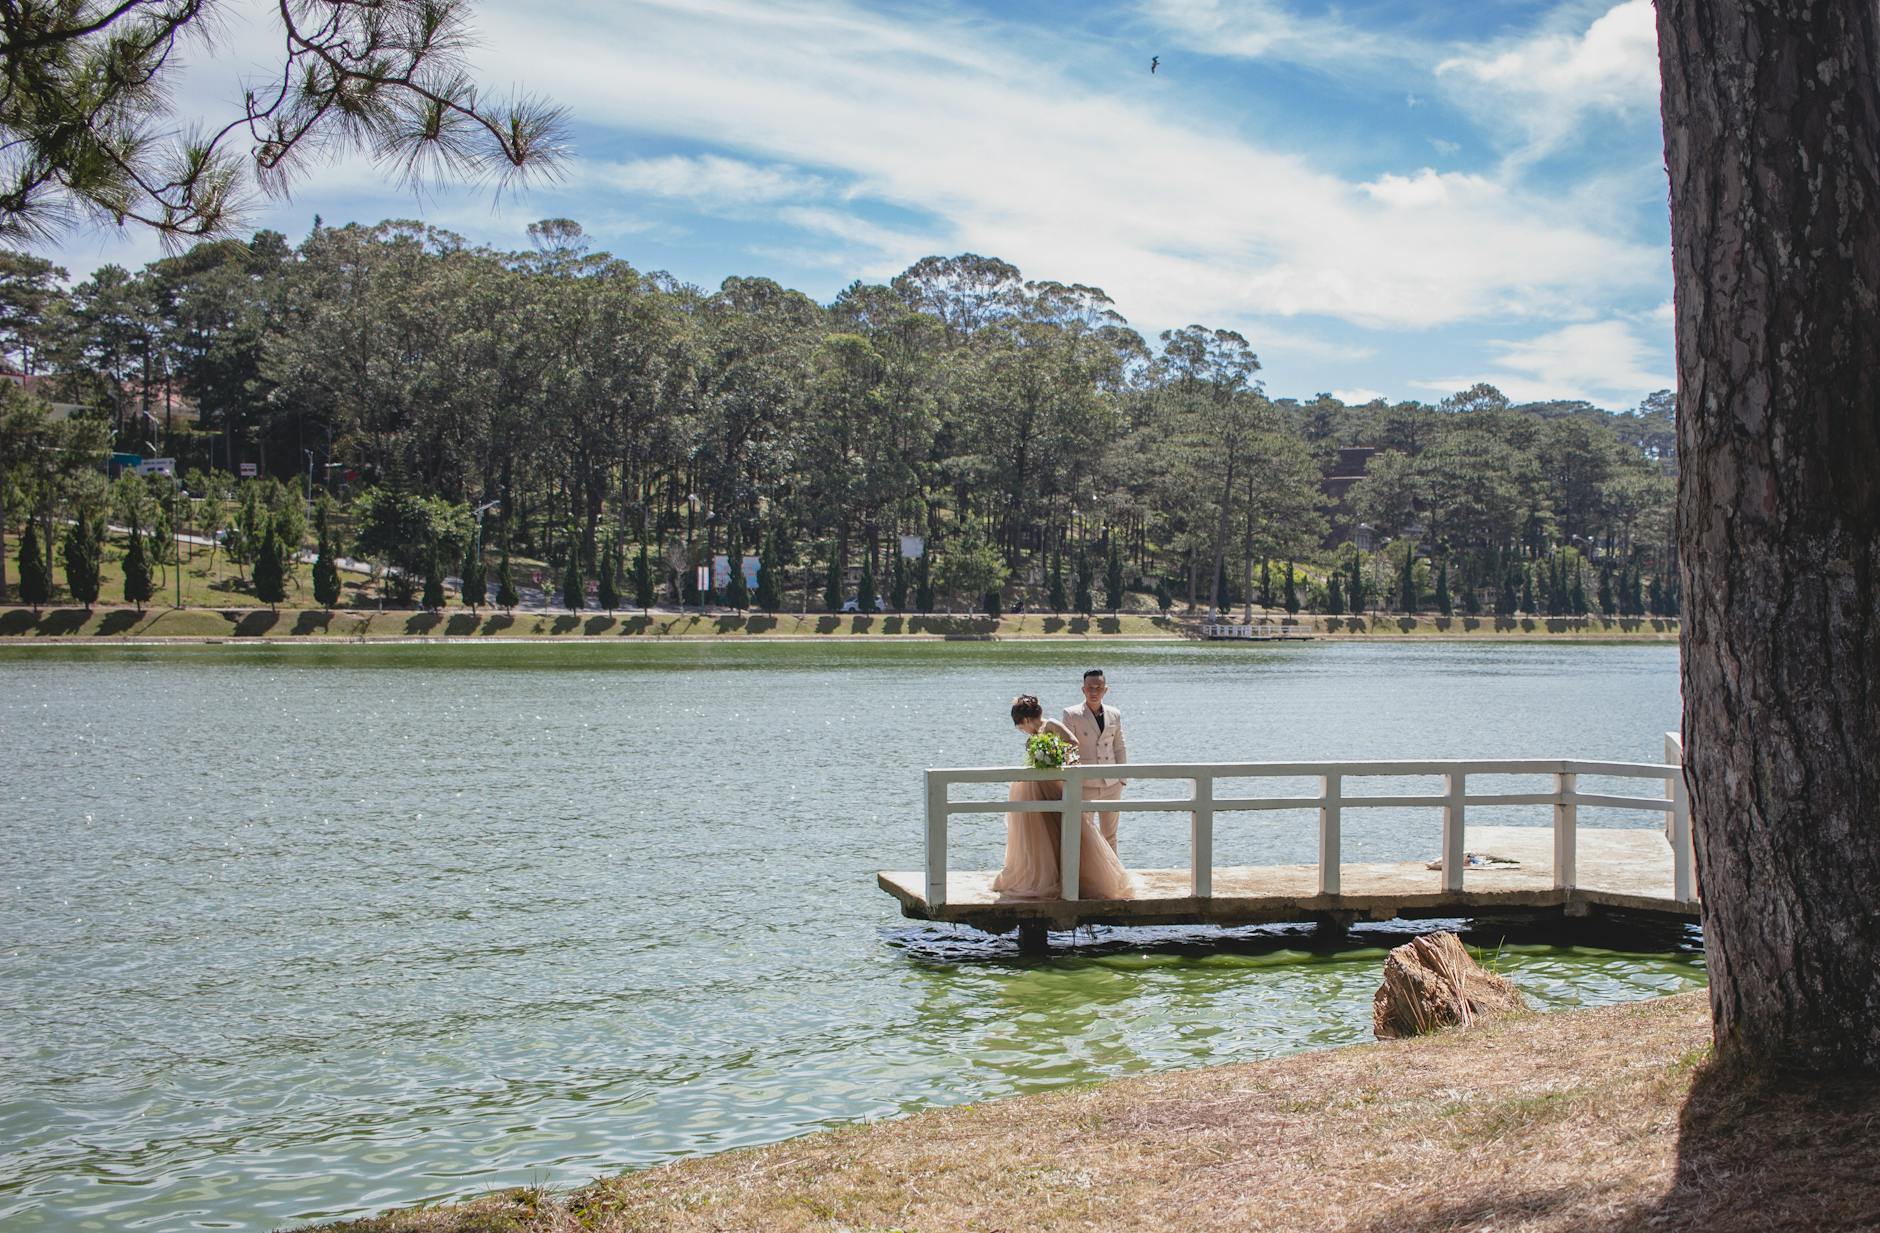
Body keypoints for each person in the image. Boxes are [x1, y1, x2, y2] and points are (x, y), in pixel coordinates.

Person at [991, 694, 1137, 901]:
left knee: (1060, 828)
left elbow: (1072, 742)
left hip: (1051, 786)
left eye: (1020, 725)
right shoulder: (1032, 736)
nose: (1021, 729)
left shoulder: (1051, 725)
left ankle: (1071, 876)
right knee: (1037, 834)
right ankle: (1038, 875)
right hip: (1034, 787)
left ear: (1025, 720)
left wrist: (1060, 758)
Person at [1061, 669, 1127, 855]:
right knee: (1083, 835)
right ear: (1083, 689)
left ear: (1106, 690)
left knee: (1110, 835)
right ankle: (1083, 878)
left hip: (1112, 783)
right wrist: (1073, 780)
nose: (1094, 691)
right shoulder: (1071, 714)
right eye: (1090, 687)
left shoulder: (1115, 714)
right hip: (1084, 784)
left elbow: (1120, 746)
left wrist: (1122, 778)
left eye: (1098, 687)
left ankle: (1113, 879)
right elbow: (1067, 749)